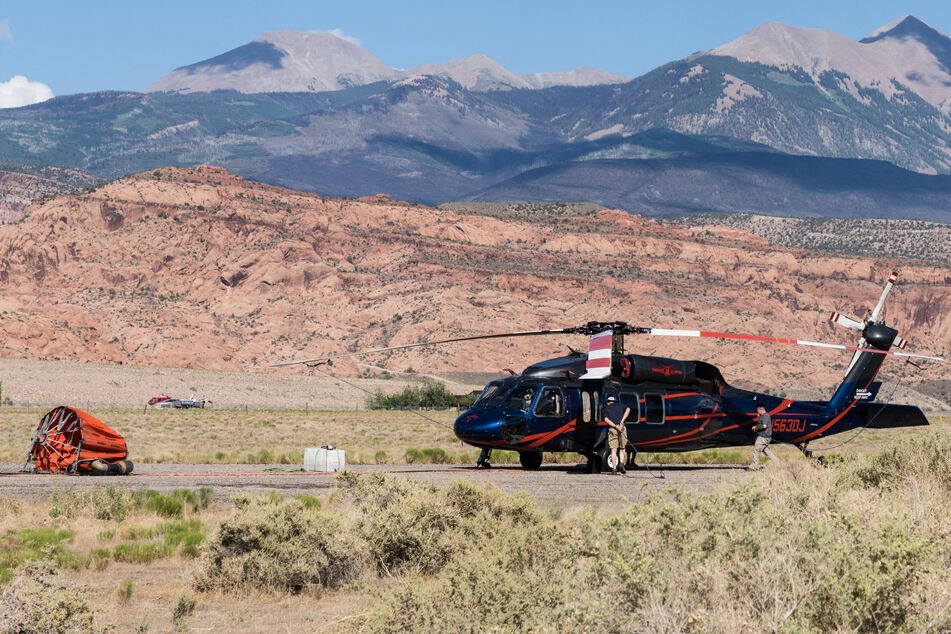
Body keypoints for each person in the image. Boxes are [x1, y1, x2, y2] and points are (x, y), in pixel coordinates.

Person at [603, 395, 630, 475]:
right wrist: (622, 422)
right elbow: (628, 409)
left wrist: (615, 426)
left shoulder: (605, 409)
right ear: (615, 401)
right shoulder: (621, 405)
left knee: (613, 449)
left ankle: (614, 469)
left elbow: (606, 420)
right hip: (622, 428)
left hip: (613, 429)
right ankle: (621, 463)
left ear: (608, 402)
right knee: (622, 447)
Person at [749, 403, 778, 470]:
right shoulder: (763, 416)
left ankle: (754, 466)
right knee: (767, 451)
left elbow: (764, 426)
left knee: (756, 450)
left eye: (757, 410)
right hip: (766, 437)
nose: (757, 411)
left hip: (763, 437)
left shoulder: (765, 416)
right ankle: (778, 463)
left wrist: (756, 427)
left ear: (761, 409)